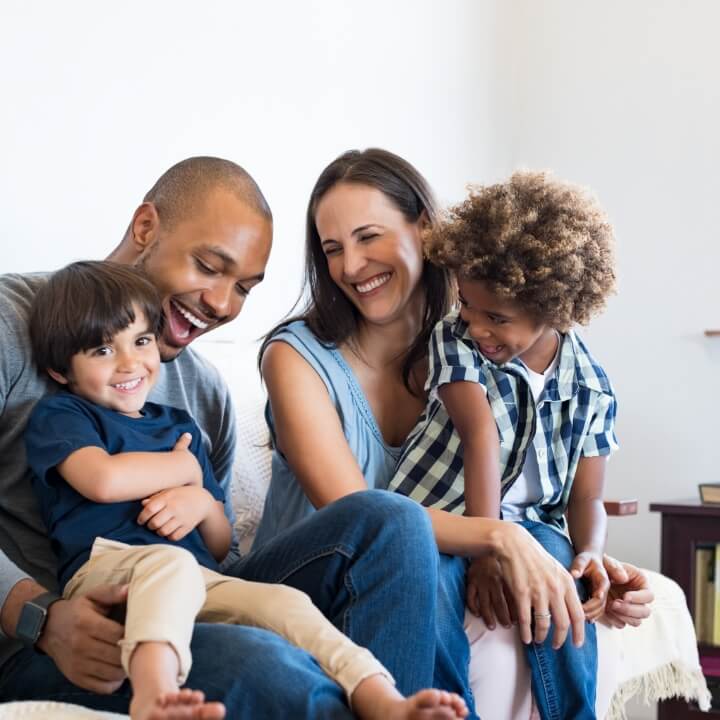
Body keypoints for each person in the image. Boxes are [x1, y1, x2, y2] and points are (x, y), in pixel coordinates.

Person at [0, 156, 459, 718]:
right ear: (146, 229)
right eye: (208, 266)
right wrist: (38, 617)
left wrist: (201, 501)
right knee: (266, 665)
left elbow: (218, 551)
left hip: (190, 590)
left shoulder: (203, 394)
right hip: (56, 631)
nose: (221, 304)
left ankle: (393, 701)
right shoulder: (10, 325)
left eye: (243, 287)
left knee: (392, 519)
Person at [255, 148, 654, 719]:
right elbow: (360, 515)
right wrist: (499, 538)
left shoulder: (480, 340)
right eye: (333, 248)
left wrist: (585, 563)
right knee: (406, 536)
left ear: (424, 227)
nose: (350, 266)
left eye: (369, 237)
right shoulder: (296, 358)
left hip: (424, 556)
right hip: (315, 575)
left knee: (542, 562)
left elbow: (546, 477)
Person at [389, 171, 618, 719]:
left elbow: (586, 498)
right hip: (438, 516)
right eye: (468, 304)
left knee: (559, 574)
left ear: (556, 309)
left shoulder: (591, 386)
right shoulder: (455, 338)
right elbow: (480, 435)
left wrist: (590, 553)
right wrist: (490, 548)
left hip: (534, 526)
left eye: (497, 317)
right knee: (434, 586)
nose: (477, 325)